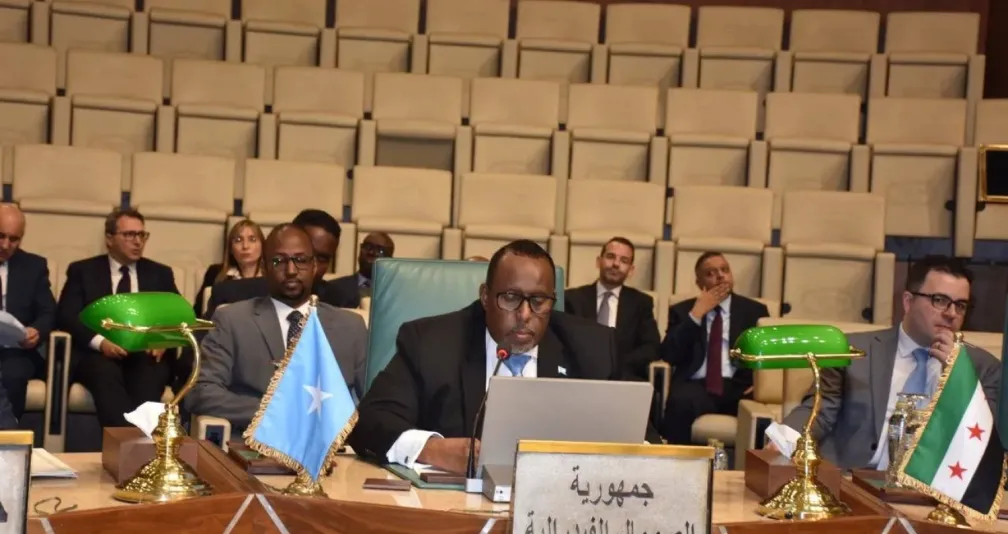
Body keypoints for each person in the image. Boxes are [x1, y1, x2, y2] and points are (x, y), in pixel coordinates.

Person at [347, 240, 624, 474]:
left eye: (539, 302)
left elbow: (635, 439)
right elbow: (371, 422)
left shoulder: (593, 349)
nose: (525, 314)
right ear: (485, 297)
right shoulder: (432, 343)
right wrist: (433, 449)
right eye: (511, 298)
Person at [775, 256, 1001, 470]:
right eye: (940, 301)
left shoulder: (983, 368)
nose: (951, 313)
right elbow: (820, 410)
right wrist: (783, 440)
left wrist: (959, 375)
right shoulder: (852, 351)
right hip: (851, 480)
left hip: (933, 489)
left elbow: (987, 440)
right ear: (908, 302)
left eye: (960, 305)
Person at [186, 224, 368, 430]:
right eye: (278, 261)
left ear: (314, 265)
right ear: (264, 267)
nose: (291, 271)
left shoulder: (351, 326)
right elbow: (201, 392)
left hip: (330, 444)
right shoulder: (232, 320)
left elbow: (375, 403)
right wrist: (275, 411)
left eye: (300, 260)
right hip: (254, 442)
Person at [56, 209, 180, 428]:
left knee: (149, 376)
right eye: (129, 235)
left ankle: (133, 440)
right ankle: (126, 440)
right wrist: (101, 343)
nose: (138, 242)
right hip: (98, 354)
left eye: (142, 235)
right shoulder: (83, 271)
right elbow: (67, 315)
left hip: (145, 354)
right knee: (104, 374)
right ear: (109, 238)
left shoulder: (159, 273)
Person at [658, 251, 769, 444]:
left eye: (724, 270)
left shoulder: (754, 310)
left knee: (762, 413)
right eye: (710, 273)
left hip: (740, 386)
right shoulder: (683, 311)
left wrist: (761, 379)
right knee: (679, 403)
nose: (720, 276)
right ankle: (678, 461)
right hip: (697, 386)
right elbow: (669, 354)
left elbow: (768, 352)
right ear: (699, 282)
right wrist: (696, 315)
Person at [204, 209, 358, 316]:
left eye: (322, 259)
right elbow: (197, 352)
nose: (313, 265)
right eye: (302, 257)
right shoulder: (231, 296)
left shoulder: (341, 302)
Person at [564, 237, 659, 380]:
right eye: (610, 257)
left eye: (624, 261)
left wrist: (617, 365)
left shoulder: (641, 303)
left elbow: (651, 347)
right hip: (580, 375)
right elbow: (562, 342)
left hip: (624, 377)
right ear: (598, 261)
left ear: (631, 270)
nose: (616, 264)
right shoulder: (573, 298)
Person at [0, 204, 56, 420]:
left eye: (14, 239)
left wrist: (36, 330)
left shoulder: (33, 266)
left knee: (13, 374)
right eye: (0, 236)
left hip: (17, 350)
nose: (5, 245)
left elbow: (49, 311)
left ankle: (8, 435)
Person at [193, 220, 265, 318]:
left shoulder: (272, 275)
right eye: (238, 240)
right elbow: (197, 316)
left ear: (262, 246)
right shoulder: (215, 272)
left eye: (252, 239)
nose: (245, 246)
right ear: (231, 249)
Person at [328, 232, 395, 308]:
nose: (371, 252)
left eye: (380, 250)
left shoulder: (398, 293)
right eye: (367, 247)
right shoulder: (333, 288)